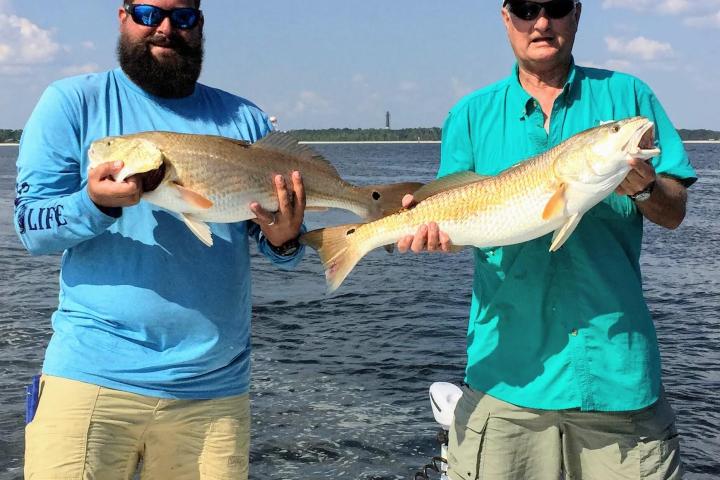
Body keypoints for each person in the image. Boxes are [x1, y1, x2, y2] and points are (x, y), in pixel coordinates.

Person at [398, 1, 696, 479]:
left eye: (556, 7)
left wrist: (643, 186)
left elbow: (675, 209)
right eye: (525, 8)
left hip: (617, 376)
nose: (541, 22)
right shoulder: (470, 114)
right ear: (505, 17)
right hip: (506, 379)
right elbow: (453, 214)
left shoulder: (629, 94)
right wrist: (435, 235)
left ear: (576, 15)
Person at [13, 1, 306, 478]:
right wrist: (95, 203)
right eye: (149, 13)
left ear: (200, 25)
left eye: (183, 17)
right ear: (123, 16)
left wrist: (286, 241)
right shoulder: (71, 102)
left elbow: (282, 248)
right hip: (90, 380)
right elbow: (31, 227)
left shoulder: (246, 119)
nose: (165, 29)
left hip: (214, 391)